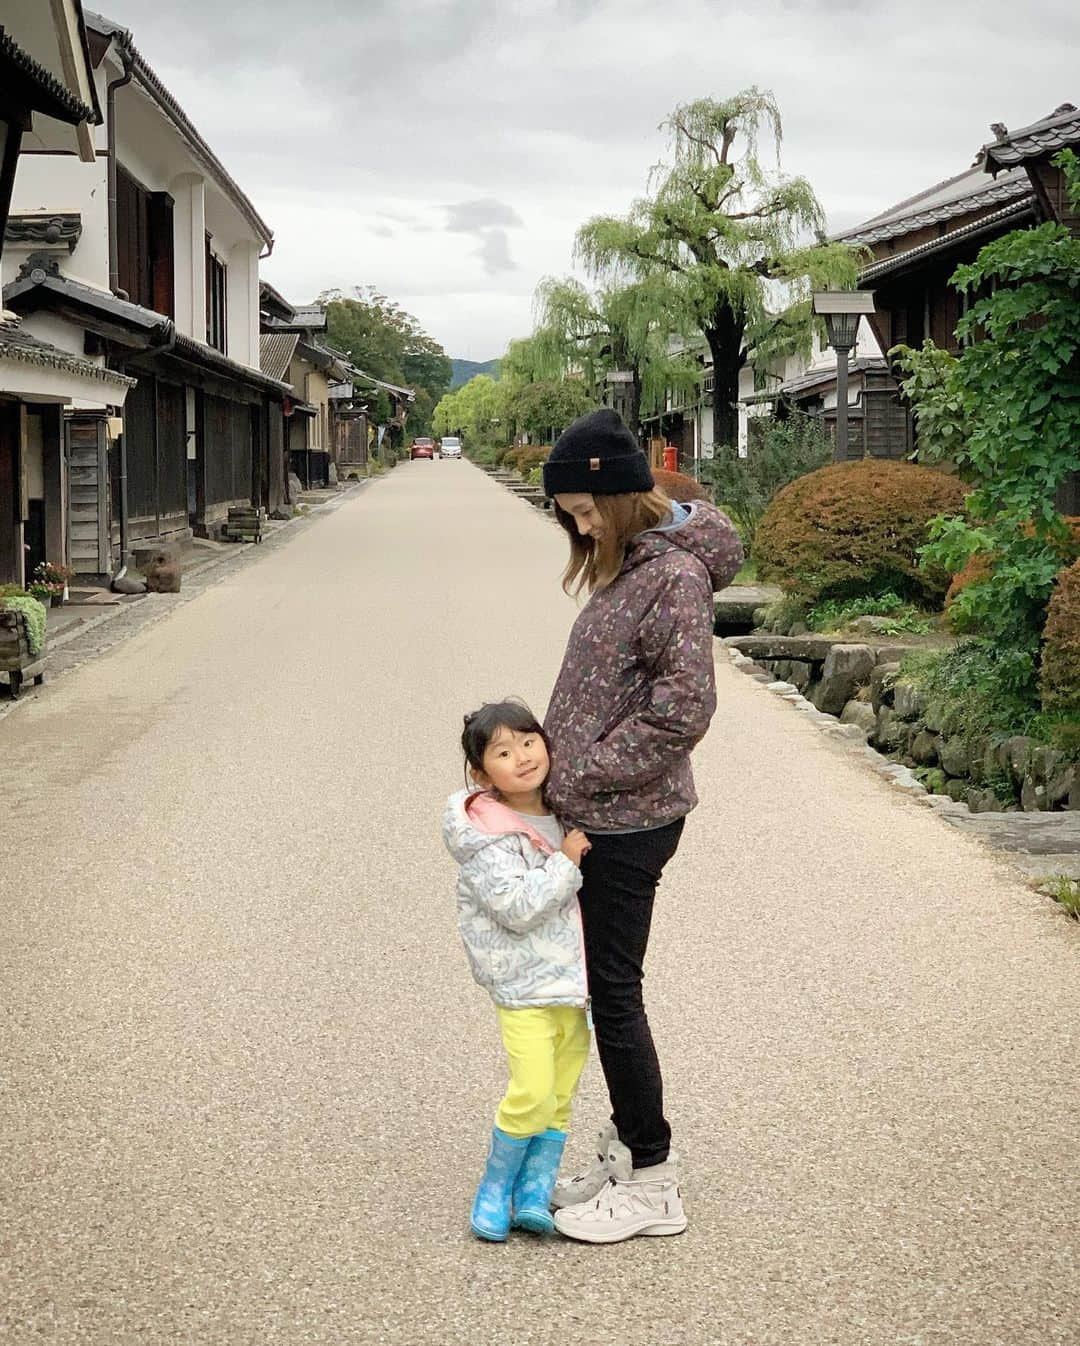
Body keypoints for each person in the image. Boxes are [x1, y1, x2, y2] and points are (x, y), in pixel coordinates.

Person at [541, 408, 743, 1244]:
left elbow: (683, 708)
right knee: (605, 990)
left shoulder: (672, 578)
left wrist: (579, 772)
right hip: (609, 812)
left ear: (621, 496)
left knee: (613, 994)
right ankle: (632, 1149)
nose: (579, 526)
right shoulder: (638, 566)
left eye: (584, 511)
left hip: (630, 818)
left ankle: (654, 1179)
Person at [442, 700, 593, 1242]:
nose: (523, 757)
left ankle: (535, 1187)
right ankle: (495, 1185)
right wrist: (566, 861)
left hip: (573, 986)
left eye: (529, 742)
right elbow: (518, 907)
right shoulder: (487, 835)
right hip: (523, 985)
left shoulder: (565, 811)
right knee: (531, 1088)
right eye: (504, 752)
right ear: (483, 775)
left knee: (560, 1093)